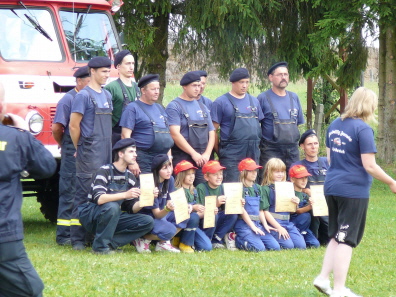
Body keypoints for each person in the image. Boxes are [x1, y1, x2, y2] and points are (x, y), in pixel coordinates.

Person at [313, 87, 396, 297]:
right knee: (347, 239)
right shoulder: (363, 130)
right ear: (368, 105)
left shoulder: (334, 125)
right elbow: (369, 165)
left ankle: (323, 279)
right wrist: (391, 182)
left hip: (331, 186)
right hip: (352, 191)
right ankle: (339, 290)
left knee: (336, 234)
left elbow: (330, 159)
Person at [0, 82, 57, 297]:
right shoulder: (15, 138)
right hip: (4, 237)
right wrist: (24, 132)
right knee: (30, 290)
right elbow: (47, 167)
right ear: (2, 105)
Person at [78, 138, 154, 255]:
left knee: (147, 221)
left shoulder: (130, 177)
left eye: (135, 152)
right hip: (91, 214)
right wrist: (125, 194)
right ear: (120, 154)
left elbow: (131, 208)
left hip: (113, 215)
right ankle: (100, 248)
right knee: (112, 207)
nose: (135, 155)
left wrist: (146, 198)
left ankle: (110, 244)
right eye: (131, 152)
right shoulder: (104, 171)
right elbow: (99, 199)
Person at [69, 56, 113, 250]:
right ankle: (77, 238)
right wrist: (79, 147)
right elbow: (73, 125)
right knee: (84, 194)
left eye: (108, 71)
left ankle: (93, 235)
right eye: (103, 71)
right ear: (92, 72)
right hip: (89, 151)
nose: (106, 75)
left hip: (106, 150)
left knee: (102, 192)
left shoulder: (107, 95)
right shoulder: (83, 96)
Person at [51, 66, 90, 246]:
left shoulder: (91, 96)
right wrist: (65, 145)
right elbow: (57, 128)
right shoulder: (68, 99)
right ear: (79, 81)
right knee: (69, 191)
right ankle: (63, 236)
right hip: (71, 148)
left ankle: (78, 232)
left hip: (87, 149)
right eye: (88, 81)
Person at [131, 154, 193, 253]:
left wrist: (186, 206)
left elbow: (171, 201)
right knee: (170, 230)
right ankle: (142, 239)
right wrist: (167, 209)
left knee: (184, 215)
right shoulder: (151, 184)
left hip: (162, 215)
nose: (169, 170)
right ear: (157, 170)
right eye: (164, 168)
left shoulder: (170, 180)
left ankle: (163, 243)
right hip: (148, 217)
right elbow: (157, 214)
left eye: (170, 166)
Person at [211, 68, 263, 182]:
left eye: (247, 82)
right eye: (241, 82)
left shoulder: (254, 101)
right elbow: (212, 131)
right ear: (233, 83)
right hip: (232, 153)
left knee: (252, 185)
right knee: (233, 187)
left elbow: (257, 126)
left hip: (253, 151)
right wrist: (220, 151)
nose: (244, 85)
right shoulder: (221, 102)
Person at [166, 71, 215, 185]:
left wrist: (207, 154)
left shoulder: (203, 107)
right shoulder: (174, 106)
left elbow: (212, 132)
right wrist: (193, 154)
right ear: (184, 86)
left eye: (199, 85)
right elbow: (174, 134)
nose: (198, 88)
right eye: (194, 85)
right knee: (184, 193)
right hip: (184, 157)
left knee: (203, 192)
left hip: (203, 158)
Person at [258, 62, 304, 180]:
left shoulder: (294, 97)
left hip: (292, 150)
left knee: (294, 181)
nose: (283, 77)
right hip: (270, 150)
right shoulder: (263, 98)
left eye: (286, 74)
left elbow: (298, 123)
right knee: (270, 182)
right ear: (271, 77)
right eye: (279, 75)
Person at [120, 74, 173, 175]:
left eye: (158, 88)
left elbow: (166, 135)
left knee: (162, 189)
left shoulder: (160, 108)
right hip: (143, 159)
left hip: (162, 159)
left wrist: (169, 159)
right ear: (143, 91)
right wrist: (131, 162)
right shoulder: (132, 108)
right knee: (146, 189)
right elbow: (125, 136)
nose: (157, 92)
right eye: (153, 89)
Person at [292, 129, 329, 245]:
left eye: (316, 143)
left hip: (328, 201)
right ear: (302, 146)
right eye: (309, 144)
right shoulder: (297, 166)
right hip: (308, 204)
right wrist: (306, 191)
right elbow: (291, 187)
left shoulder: (327, 162)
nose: (313, 147)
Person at [234, 158, 280, 252]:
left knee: (275, 247)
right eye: (250, 171)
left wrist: (265, 225)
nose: (254, 173)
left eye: (255, 170)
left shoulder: (258, 188)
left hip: (257, 223)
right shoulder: (238, 188)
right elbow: (242, 211)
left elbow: (261, 210)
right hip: (244, 224)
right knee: (259, 248)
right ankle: (236, 239)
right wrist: (253, 227)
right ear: (243, 172)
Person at [261, 158, 306, 249]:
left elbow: (292, 212)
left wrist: (295, 204)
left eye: (282, 171)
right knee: (288, 246)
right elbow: (266, 212)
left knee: (301, 246)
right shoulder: (265, 189)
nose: (280, 174)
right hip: (273, 223)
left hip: (287, 223)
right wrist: (279, 227)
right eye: (277, 172)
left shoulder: (287, 187)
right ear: (269, 172)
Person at [195, 160, 239, 250]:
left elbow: (228, 208)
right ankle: (208, 238)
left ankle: (217, 238)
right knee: (212, 214)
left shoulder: (223, 187)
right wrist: (216, 203)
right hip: (204, 222)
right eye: (215, 174)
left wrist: (238, 203)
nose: (219, 177)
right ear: (206, 177)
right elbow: (200, 211)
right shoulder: (201, 188)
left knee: (233, 213)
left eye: (221, 174)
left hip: (217, 218)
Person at [173, 160, 213, 251]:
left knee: (207, 247)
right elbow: (178, 212)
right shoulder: (176, 190)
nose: (192, 176)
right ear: (181, 175)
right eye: (188, 174)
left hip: (193, 224)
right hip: (179, 225)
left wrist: (208, 211)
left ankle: (185, 240)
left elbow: (198, 214)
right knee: (193, 216)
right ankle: (184, 243)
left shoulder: (194, 191)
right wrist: (193, 208)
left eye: (193, 173)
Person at [104, 50, 140, 145]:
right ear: (118, 66)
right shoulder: (111, 88)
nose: (131, 67)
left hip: (135, 133)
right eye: (128, 63)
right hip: (115, 136)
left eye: (133, 63)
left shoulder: (138, 88)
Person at [288, 164, 320, 248]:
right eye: (300, 178)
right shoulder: (289, 192)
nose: (304, 180)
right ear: (292, 179)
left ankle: (302, 236)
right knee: (305, 216)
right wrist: (309, 207)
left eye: (305, 178)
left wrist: (311, 194)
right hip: (293, 224)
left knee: (315, 244)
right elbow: (295, 211)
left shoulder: (305, 194)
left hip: (305, 228)